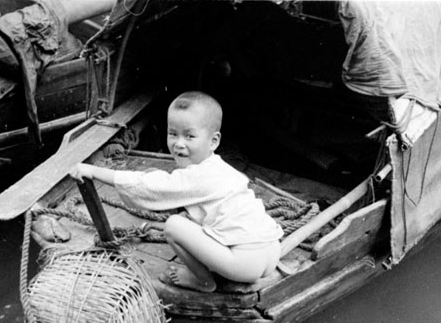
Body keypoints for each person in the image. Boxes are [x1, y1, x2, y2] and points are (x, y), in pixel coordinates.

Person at [69, 91, 283, 293]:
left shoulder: (196, 179)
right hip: (272, 251)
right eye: (173, 134)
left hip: (244, 264)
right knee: (188, 218)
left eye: (190, 136)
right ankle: (225, 268)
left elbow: (148, 186)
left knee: (174, 226)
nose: (178, 144)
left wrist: (94, 171)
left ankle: (203, 281)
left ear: (214, 141)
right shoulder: (221, 168)